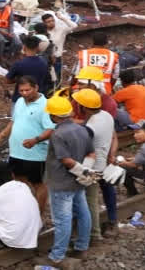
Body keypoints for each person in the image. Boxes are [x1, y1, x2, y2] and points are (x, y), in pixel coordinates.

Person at [40, 93, 94, 267]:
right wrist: (85, 173)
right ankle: (81, 247)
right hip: (77, 182)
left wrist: (80, 172)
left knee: (62, 219)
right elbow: (91, 153)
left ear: (54, 115)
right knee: (83, 212)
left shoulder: (58, 134)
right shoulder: (82, 129)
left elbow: (65, 160)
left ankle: (57, 256)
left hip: (61, 183)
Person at [0, 76, 53, 211]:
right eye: (21, 91)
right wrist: (0, 136)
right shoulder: (19, 101)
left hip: (35, 154)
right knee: (19, 183)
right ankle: (23, 212)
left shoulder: (46, 105)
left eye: (27, 90)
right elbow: (13, 121)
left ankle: (39, 215)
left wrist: (36, 140)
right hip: (16, 151)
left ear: (36, 87)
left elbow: (50, 129)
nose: (24, 93)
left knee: (38, 184)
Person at [72, 88, 118, 244]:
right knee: (91, 199)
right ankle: (90, 231)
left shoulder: (90, 128)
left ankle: (94, 234)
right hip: (102, 163)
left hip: (92, 167)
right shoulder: (106, 116)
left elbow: (83, 148)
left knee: (89, 200)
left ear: (84, 107)